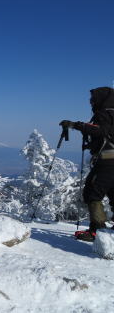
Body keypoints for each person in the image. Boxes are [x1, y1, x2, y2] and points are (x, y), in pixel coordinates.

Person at [60, 86, 114, 241]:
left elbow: (101, 131)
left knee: (92, 193)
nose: (91, 102)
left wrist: (76, 125)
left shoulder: (104, 114)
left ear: (101, 99)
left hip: (108, 161)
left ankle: (97, 232)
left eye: (93, 99)